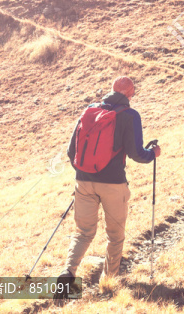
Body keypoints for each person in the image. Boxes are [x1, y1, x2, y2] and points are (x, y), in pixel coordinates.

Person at [59, 76, 161, 281]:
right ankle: (109, 280)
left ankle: (68, 273)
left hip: (84, 182)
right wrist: (153, 153)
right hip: (113, 184)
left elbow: (72, 151)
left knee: (83, 232)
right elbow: (136, 154)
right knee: (115, 236)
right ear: (129, 94)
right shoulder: (130, 115)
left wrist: (85, 173)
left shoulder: (90, 111)